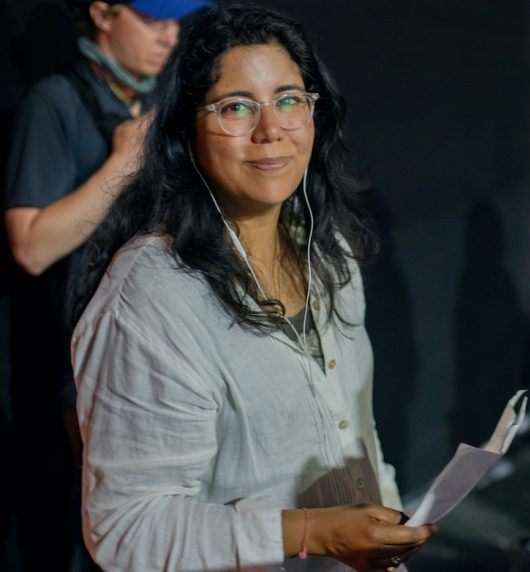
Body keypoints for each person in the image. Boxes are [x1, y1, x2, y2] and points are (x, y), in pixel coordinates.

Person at [69, 5, 436, 570]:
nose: (271, 131)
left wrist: (385, 530)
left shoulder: (326, 249)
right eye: (237, 107)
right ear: (185, 129)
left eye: (290, 100)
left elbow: (353, 429)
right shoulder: (151, 300)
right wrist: (315, 532)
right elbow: (128, 530)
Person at [3, 1, 208, 569]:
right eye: (151, 19)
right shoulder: (53, 103)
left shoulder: (145, 99)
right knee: (112, 536)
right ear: (102, 12)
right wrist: (122, 163)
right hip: (82, 373)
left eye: (175, 22)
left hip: (154, 355)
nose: (169, 36)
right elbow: (31, 246)